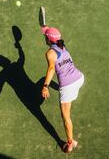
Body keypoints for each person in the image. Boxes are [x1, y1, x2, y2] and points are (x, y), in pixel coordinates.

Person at [41, 25, 84, 153]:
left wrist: (45, 87)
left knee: (66, 116)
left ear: (48, 40)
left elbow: (51, 69)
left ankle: (70, 143)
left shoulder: (50, 53)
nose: (44, 37)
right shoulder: (62, 47)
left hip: (68, 86)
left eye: (45, 36)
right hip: (79, 78)